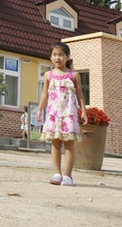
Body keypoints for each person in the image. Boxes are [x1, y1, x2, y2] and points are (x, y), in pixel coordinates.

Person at [35, 42, 86, 187]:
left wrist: (84, 111)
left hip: (69, 114)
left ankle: (68, 176)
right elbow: (44, 93)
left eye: (61, 55)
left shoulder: (73, 75)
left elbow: (80, 94)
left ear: (68, 57)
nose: (58, 58)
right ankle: (57, 173)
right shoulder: (48, 75)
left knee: (69, 144)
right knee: (55, 143)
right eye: (54, 55)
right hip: (53, 114)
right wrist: (39, 110)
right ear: (51, 57)